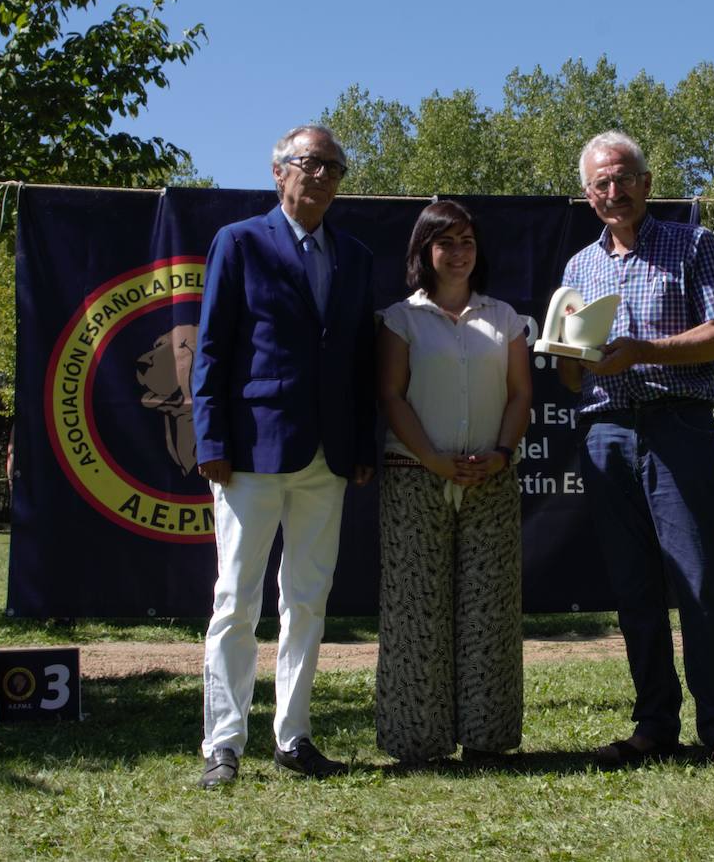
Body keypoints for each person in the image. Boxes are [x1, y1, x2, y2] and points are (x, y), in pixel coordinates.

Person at [557, 130, 714, 770]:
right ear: (587, 195)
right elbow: (570, 376)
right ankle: (654, 727)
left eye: (622, 178)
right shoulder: (578, 270)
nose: (612, 192)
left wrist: (642, 350)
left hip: (679, 426)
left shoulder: (693, 243)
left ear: (646, 183)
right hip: (606, 432)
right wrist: (566, 356)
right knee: (634, 588)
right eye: (600, 184)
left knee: (699, 582)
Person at [191, 125, 376, 788]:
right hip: (248, 455)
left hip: (327, 457)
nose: (322, 175)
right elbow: (211, 349)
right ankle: (224, 744)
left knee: (308, 601)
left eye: (333, 166)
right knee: (235, 602)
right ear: (279, 171)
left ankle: (293, 738)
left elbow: (359, 358)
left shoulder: (354, 256)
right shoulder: (238, 242)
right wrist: (210, 440)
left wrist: (359, 443)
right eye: (309, 163)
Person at [374, 200, 531, 764]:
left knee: (490, 608)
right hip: (415, 475)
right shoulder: (402, 318)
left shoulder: (505, 317)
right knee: (417, 610)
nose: (459, 252)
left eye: (467, 241)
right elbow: (391, 396)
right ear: (425, 251)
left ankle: (487, 740)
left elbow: (520, 396)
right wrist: (434, 459)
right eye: (446, 243)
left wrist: (501, 453)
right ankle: (417, 742)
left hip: (491, 477)